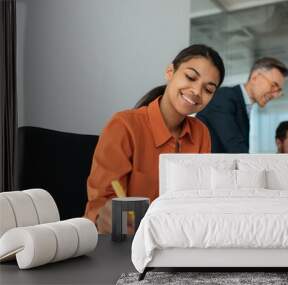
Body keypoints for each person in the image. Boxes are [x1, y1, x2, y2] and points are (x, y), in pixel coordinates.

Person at [84, 44, 225, 233]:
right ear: (170, 71)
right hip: (120, 242)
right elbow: (101, 205)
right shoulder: (124, 125)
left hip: (173, 241)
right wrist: (111, 216)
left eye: (208, 89)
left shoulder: (201, 133)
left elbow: (196, 200)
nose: (197, 92)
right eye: (190, 77)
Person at [196, 57, 288, 153]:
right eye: (273, 85)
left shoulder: (243, 105)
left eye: (278, 91)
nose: (275, 95)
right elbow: (235, 147)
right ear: (255, 77)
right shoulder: (223, 98)